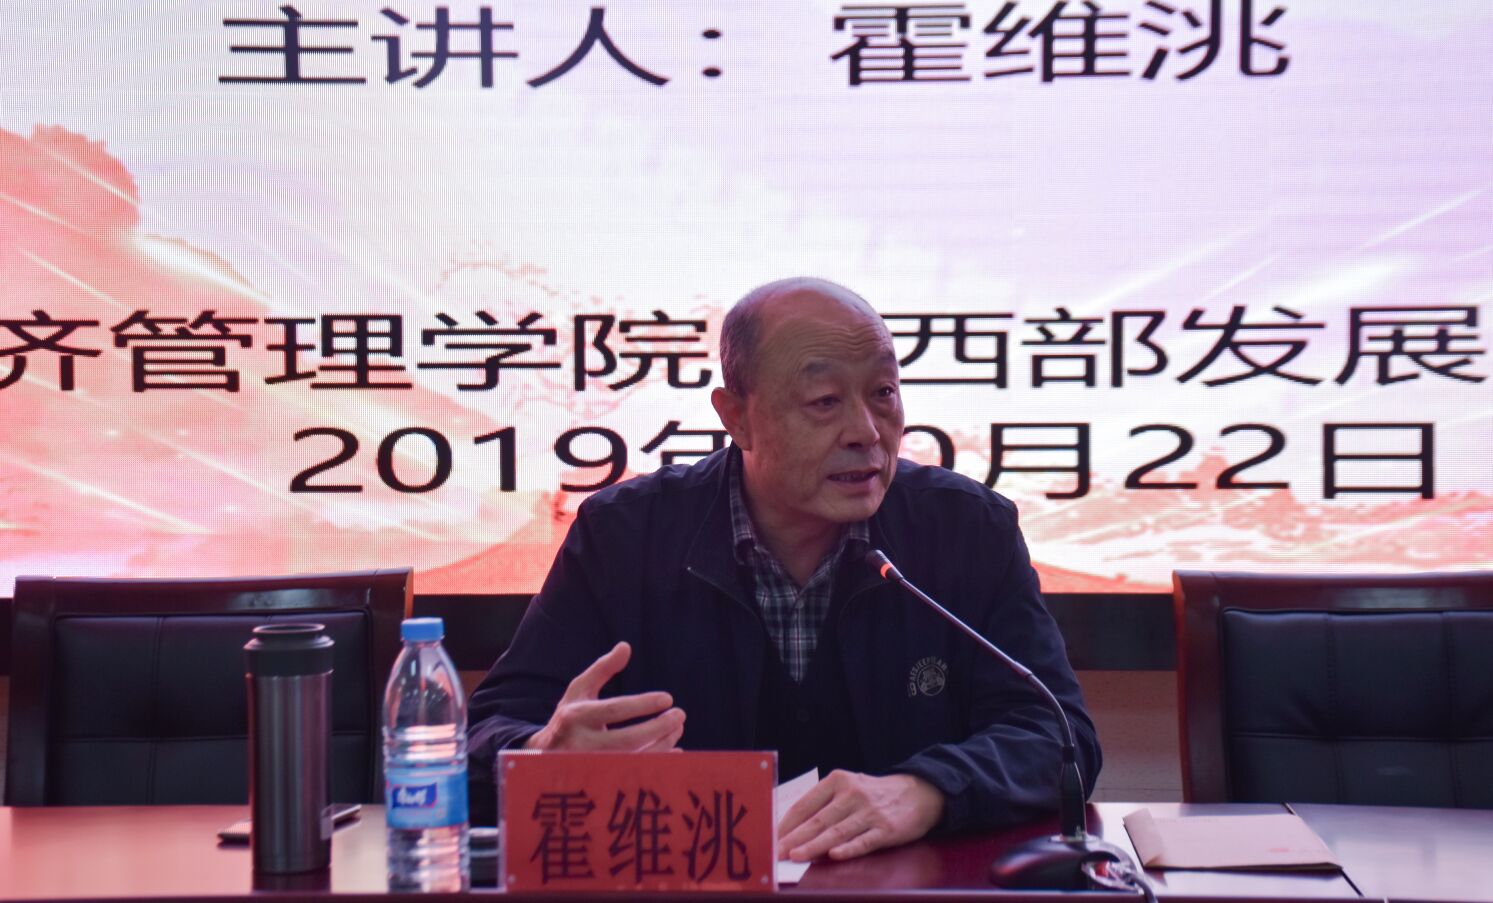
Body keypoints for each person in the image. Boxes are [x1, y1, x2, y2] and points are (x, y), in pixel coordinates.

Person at [467, 277, 1101, 862]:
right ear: (736, 417)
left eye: (883, 393)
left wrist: (927, 790)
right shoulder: (624, 536)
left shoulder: (966, 529)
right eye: (824, 401)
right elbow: (484, 734)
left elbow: (1058, 733)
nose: (866, 432)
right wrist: (540, 754)